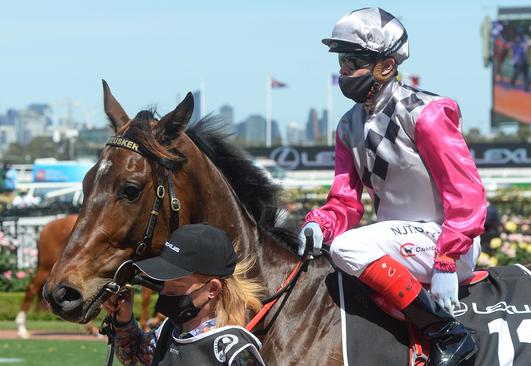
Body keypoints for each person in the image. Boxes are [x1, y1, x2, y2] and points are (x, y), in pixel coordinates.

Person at [298, 8, 486, 366]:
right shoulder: (347, 127)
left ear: (385, 66)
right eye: (341, 62)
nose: (343, 72)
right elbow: (345, 202)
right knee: (336, 251)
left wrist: (447, 259)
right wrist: (318, 224)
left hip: (447, 243)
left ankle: (447, 332)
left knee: (348, 248)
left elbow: (468, 195)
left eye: (353, 61)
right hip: (404, 243)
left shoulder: (426, 114)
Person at [102, 224, 265, 366]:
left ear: (212, 289)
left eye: (175, 289)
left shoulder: (234, 349)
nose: (164, 293)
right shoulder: (169, 330)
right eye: (163, 285)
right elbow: (135, 358)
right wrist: (123, 320)